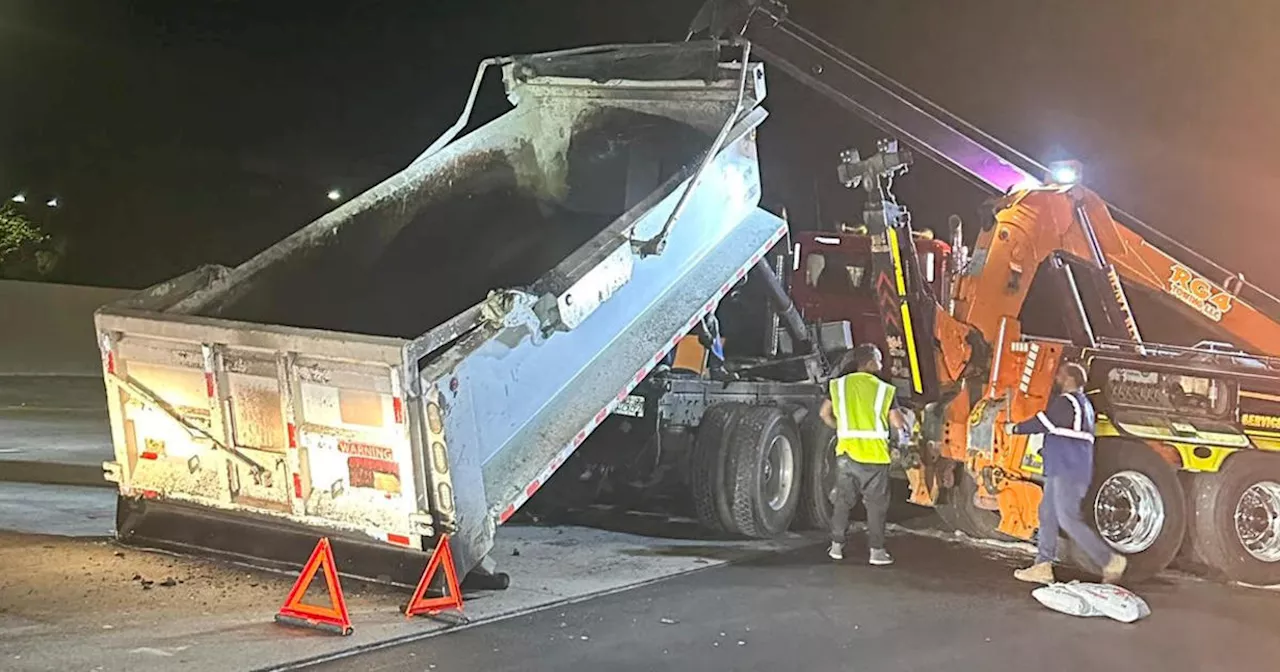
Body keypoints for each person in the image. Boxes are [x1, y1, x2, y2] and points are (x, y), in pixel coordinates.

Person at [1005, 361, 1127, 584]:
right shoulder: (1083, 405)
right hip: (1062, 469)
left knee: (1068, 518)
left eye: (1061, 375)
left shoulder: (1068, 402)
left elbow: (1045, 422)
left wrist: (1014, 428)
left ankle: (1109, 560)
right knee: (1048, 515)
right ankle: (1043, 565)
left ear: (1070, 379)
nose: (1057, 378)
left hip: (1067, 470)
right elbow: (1063, 434)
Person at [819, 343, 906, 566]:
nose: (882, 363)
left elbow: (824, 414)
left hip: (847, 455)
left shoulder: (839, 386)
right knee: (876, 506)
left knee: (842, 502)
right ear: (868, 362)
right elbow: (898, 423)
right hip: (875, 458)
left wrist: (841, 428)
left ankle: (836, 547)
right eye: (879, 359)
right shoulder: (884, 389)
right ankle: (876, 552)